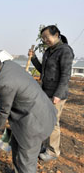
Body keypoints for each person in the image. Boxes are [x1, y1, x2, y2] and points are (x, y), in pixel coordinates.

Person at [0, 52, 57, 173]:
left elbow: (3, 110)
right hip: (33, 113)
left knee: (27, 162)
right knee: (15, 145)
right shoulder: (8, 65)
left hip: (35, 122)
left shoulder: (3, 83)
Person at [29, 25, 74, 162]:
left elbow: (66, 75)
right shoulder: (49, 51)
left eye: (47, 37)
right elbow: (42, 70)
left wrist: (58, 94)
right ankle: (44, 146)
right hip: (45, 91)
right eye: (43, 38)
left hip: (57, 94)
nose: (45, 40)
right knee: (43, 120)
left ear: (56, 35)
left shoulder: (65, 51)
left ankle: (53, 151)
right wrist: (33, 58)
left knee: (53, 122)